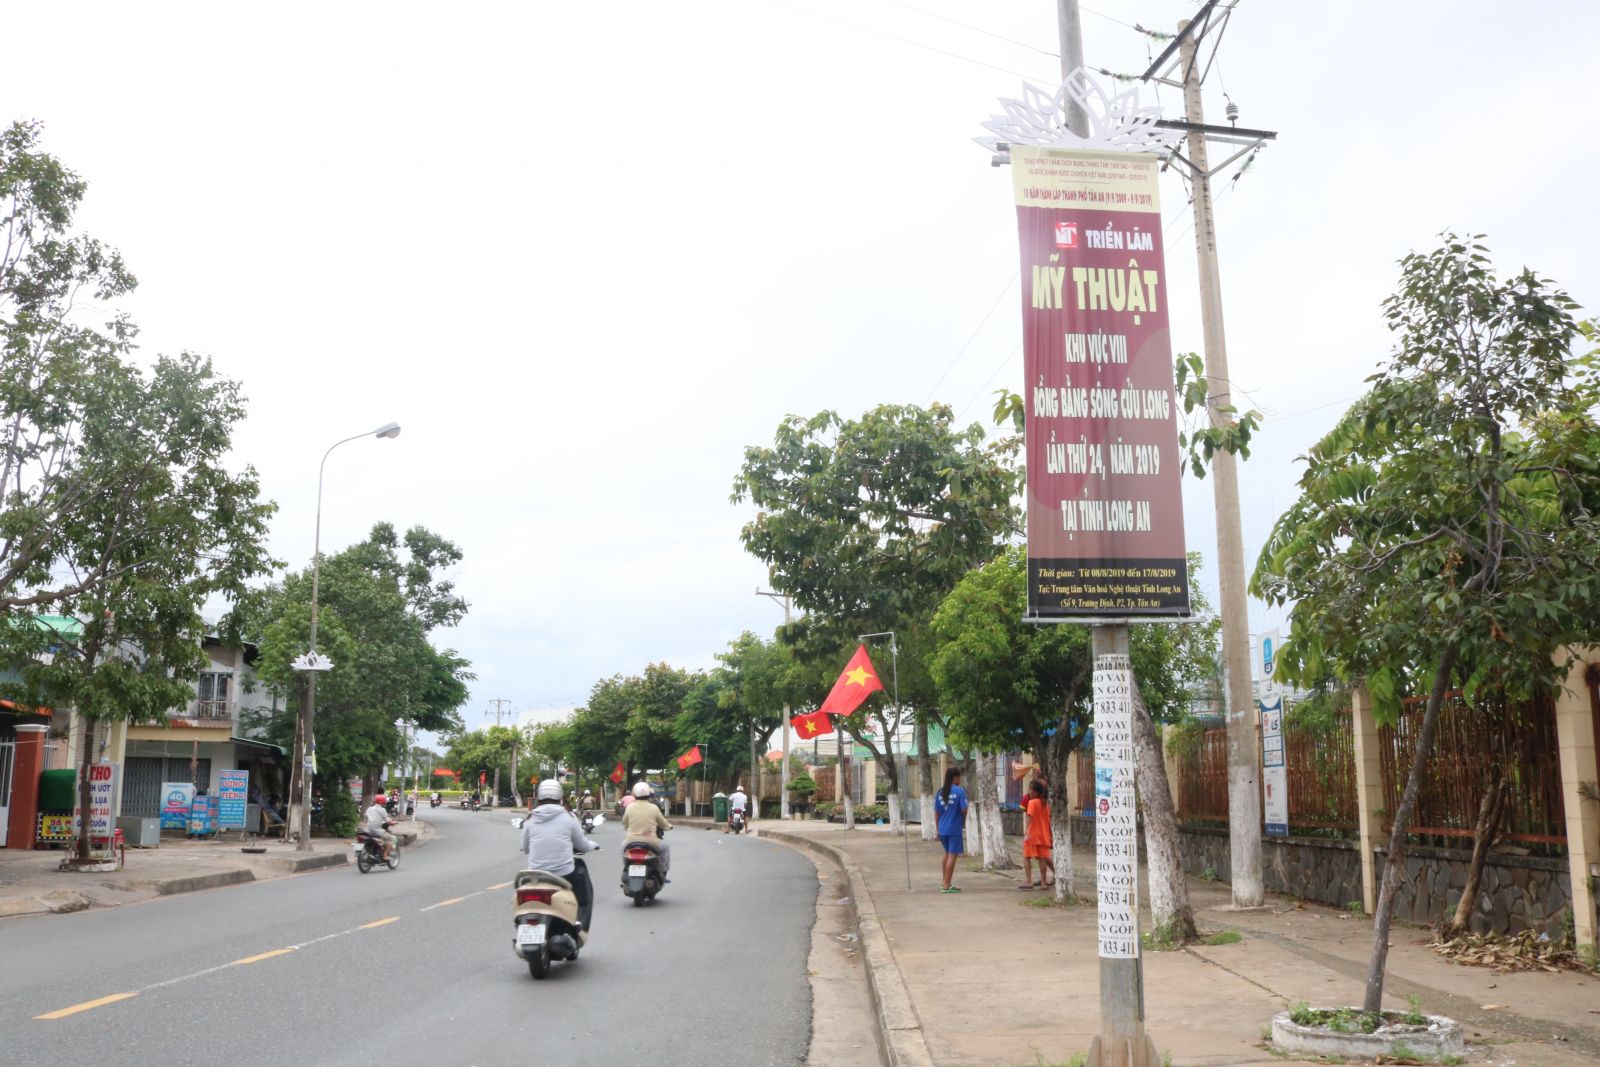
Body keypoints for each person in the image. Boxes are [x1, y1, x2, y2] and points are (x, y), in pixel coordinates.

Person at [519, 778, 599, 929]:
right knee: (584, 896)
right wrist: (592, 845)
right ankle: (579, 926)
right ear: (560, 797)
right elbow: (582, 845)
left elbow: (525, 848)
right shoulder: (569, 818)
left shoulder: (530, 818)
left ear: (539, 797)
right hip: (564, 873)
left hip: (536, 874)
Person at [620, 781, 671, 878]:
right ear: (648, 794)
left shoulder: (629, 807)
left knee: (622, 848)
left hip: (631, 841)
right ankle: (663, 872)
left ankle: (626, 869)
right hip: (651, 841)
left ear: (634, 794)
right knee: (665, 848)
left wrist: (628, 827)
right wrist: (668, 827)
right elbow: (663, 824)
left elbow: (624, 822)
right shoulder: (654, 808)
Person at [933, 767, 968, 893]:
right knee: (952, 855)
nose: (960, 780)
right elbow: (964, 809)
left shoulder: (940, 792)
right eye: (959, 777)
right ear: (955, 778)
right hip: (954, 828)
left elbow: (937, 813)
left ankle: (944, 882)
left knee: (947, 853)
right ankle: (946, 885)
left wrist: (937, 829)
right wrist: (963, 817)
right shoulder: (960, 791)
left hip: (942, 828)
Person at [1020, 778, 1055, 890]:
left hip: (1032, 835)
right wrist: (1050, 835)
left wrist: (1026, 831)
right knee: (1043, 858)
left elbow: (1029, 817)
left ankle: (1029, 881)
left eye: (1030, 790)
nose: (1029, 792)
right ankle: (1044, 883)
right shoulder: (1046, 804)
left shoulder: (1032, 802)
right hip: (1044, 835)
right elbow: (1048, 821)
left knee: (1026, 857)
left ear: (1035, 792)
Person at [364, 794, 395, 861]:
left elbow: (366, 817)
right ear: (382, 802)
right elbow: (388, 821)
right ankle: (385, 855)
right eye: (384, 801)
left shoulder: (369, 808)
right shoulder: (382, 810)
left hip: (368, 830)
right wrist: (393, 823)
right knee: (390, 839)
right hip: (377, 831)